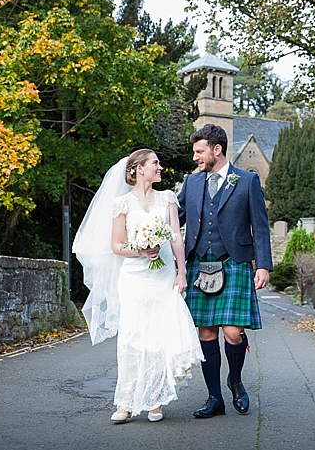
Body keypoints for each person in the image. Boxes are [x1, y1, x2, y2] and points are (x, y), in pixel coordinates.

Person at [73, 149, 203, 424]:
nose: (160, 167)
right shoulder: (122, 204)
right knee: (132, 336)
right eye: (155, 163)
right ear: (139, 169)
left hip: (163, 276)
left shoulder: (167, 198)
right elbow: (116, 245)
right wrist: (142, 250)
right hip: (134, 277)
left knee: (157, 338)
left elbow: (177, 237)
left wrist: (181, 273)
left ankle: (155, 400)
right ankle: (126, 401)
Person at [177, 124, 272, 418]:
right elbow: (172, 217)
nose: (195, 157)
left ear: (216, 150)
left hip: (235, 261)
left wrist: (263, 265)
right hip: (198, 264)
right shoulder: (191, 184)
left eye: (199, 151)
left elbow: (260, 225)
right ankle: (214, 398)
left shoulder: (246, 180)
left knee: (232, 332)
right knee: (206, 332)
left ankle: (235, 380)